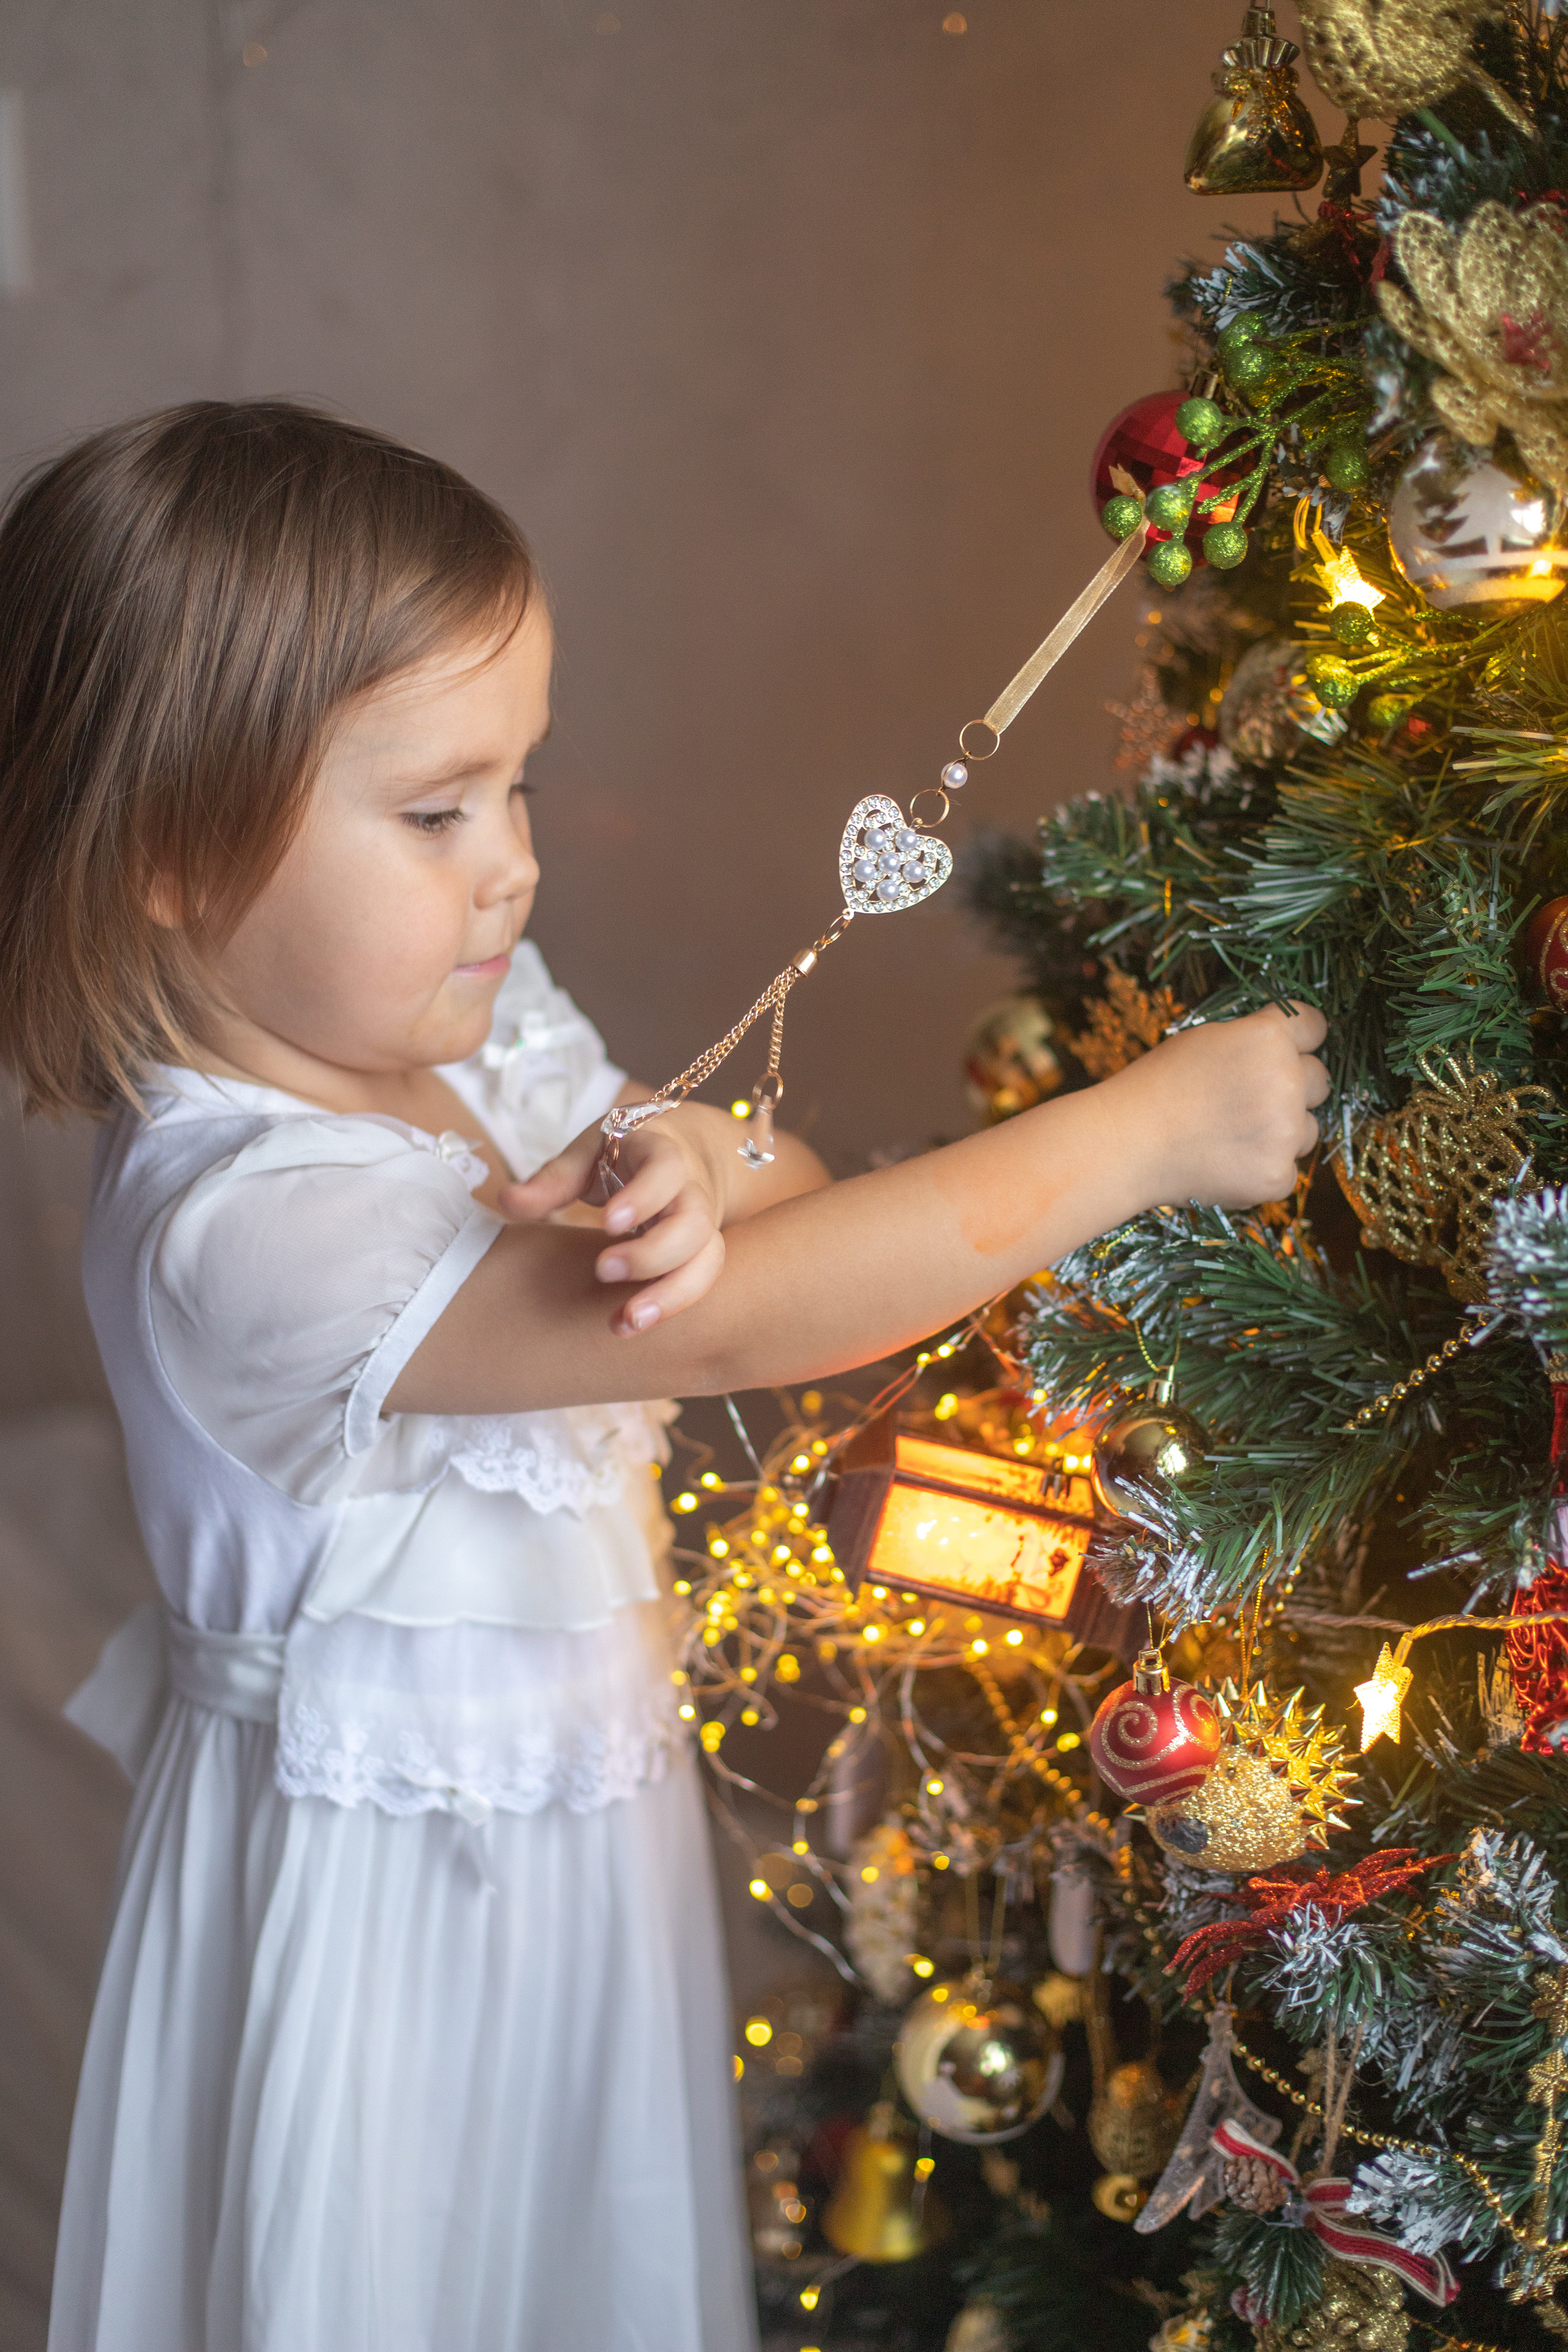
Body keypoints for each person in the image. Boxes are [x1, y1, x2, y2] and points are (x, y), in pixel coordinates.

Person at [0, 401, 1329, 2352]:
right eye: (438, 811)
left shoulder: (486, 1027)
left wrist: (700, 1156)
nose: (512, 868)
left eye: (522, 787)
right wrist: (1135, 1140)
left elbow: (753, 1193)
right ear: (171, 856)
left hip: (575, 1864)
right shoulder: (240, 1223)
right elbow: (736, 1321)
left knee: (588, 2283)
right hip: (380, 1922)